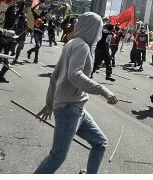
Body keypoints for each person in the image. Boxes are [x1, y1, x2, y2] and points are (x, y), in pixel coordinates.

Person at [33, 12, 117, 174]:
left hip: (77, 108)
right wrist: (104, 90)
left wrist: (50, 104)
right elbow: (74, 74)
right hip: (68, 109)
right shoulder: (82, 46)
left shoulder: (73, 43)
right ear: (92, 28)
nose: (99, 33)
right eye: (98, 28)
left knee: (100, 143)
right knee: (57, 156)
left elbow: (55, 76)